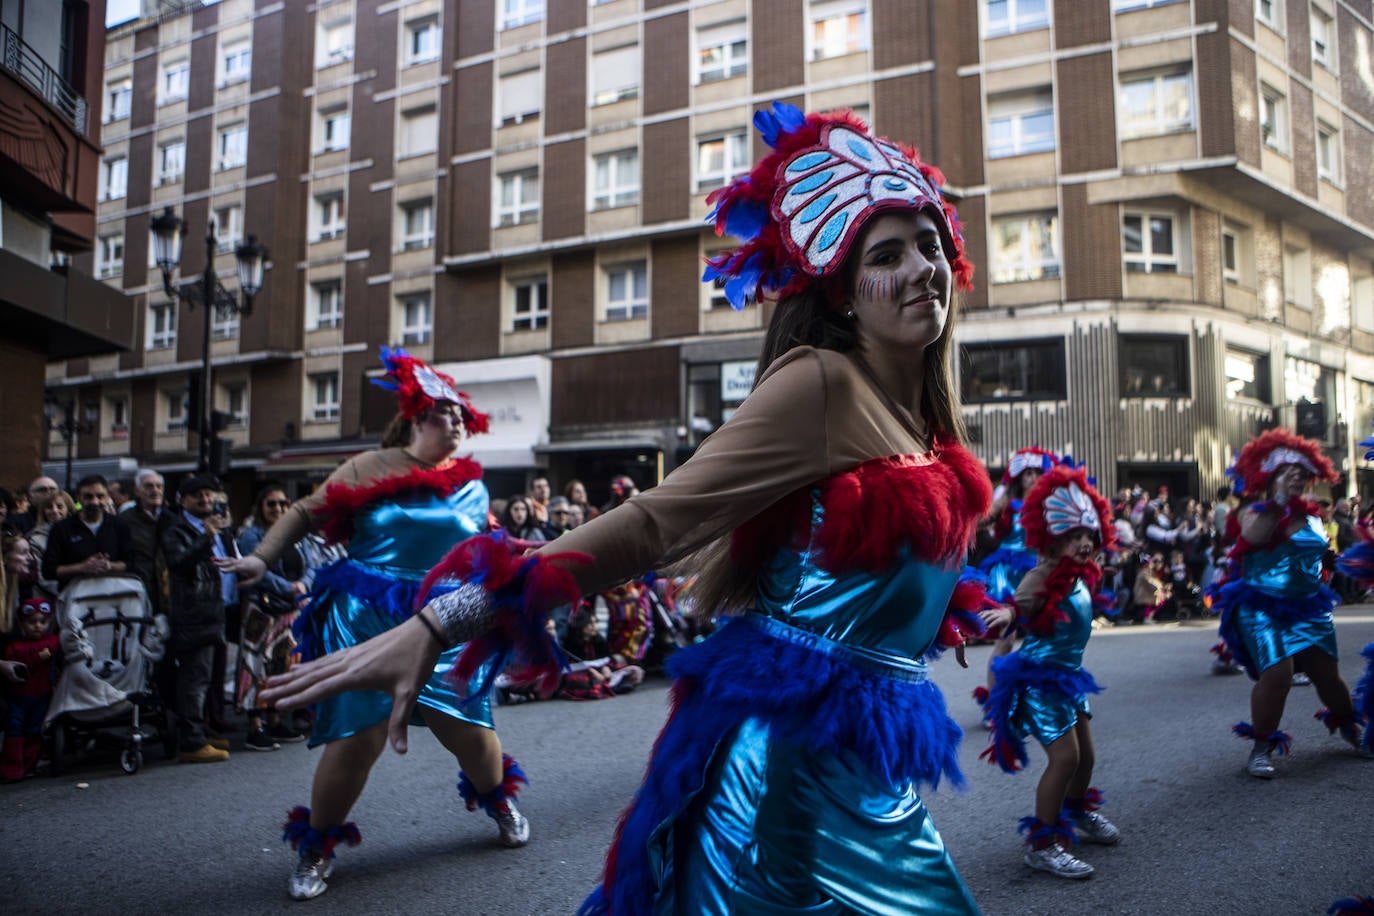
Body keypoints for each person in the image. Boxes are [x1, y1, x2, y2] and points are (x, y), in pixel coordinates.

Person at [263, 102, 1013, 913]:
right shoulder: (823, 385)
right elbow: (659, 521)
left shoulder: (929, 425)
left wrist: (946, 606)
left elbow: (862, 562)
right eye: (886, 255)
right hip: (795, 780)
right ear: (841, 294)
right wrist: (447, 618)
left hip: (862, 757)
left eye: (930, 246)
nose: (918, 270)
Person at [219, 348, 530, 901]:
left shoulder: (472, 484)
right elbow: (304, 512)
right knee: (356, 740)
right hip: (366, 617)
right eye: (445, 413)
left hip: (444, 619)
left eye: (462, 415)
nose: (458, 421)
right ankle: (315, 845)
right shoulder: (370, 466)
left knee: (471, 734)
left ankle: (497, 797)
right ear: (415, 417)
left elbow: (487, 544)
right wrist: (262, 558)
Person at [981, 466, 1119, 879]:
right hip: (1042, 681)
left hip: (1070, 677)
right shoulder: (1043, 573)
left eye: (1086, 537)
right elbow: (1020, 603)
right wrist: (1007, 612)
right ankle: (1042, 845)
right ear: (1053, 542)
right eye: (1072, 538)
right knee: (1065, 759)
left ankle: (1077, 812)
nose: (1082, 544)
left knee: (1087, 757)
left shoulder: (1080, 575)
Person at [1211, 429, 1366, 778]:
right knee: (1278, 675)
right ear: (1269, 476)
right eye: (1287, 472)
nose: (1297, 477)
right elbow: (1251, 538)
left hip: (1308, 608)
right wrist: (1277, 502)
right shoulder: (1253, 511)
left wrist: (1331, 560)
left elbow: (1318, 554)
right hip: (1263, 607)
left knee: (1328, 678)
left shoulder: (1312, 516)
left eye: (1301, 473)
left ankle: (1349, 727)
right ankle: (1261, 745)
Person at [974, 448, 1058, 707]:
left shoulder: (1050, 505)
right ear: (1019, 478)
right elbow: (980, 520)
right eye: (1027, 474)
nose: (1032, 478)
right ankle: (995, 702)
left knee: (1041, 638)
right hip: (1007, 573)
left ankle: (1036, 698)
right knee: (1006, 639)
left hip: (1035, 573)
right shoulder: (1007, 503)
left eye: (1037, 473)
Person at [162, 475, 235, 765]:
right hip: (194, 618)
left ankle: (204, 730)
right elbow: (179, 563)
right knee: (195, 678)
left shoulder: (217, 527)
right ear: (182, 500)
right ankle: (191, 740)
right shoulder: (176, 530)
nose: (206, 500)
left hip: (218, 612)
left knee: (214, 676)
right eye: (197, 496)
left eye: (209, 495)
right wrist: (206, 538)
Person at [235, 484, 308, 751]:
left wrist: (303, 585)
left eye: (282, 504)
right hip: (261, 611)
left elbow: (309, 566)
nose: (277, 509)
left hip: (289, 613)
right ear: (261, 507)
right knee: (255, 667)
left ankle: (275, 720)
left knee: (281, 667)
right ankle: (255, 726)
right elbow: (256, 568)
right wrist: (288, 587)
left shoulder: (296, 534)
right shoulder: (251, 535)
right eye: (271, 504)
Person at [0, 598, 61, 781]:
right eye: (32, 622)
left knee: (34, 730)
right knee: (15, 730)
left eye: (42, 622)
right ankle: (12, 769)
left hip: (42, 695)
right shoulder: (15, 647)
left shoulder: (52, 641)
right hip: (19, 696)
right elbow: (18, 668)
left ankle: (29, 765)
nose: (37, 626)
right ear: (22, 624)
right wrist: (37, 658)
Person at [40, 475, 132, 592]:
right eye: (88, 497)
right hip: (75, 596)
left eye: (100, 496)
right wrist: (82, 567)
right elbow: (48, 571)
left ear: (107, 497)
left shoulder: (119, 525)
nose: (94, 502)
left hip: (114, 594)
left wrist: (109, 565)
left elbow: (131, 563)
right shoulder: (61, 528)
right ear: (78, 498)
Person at [123, 469, 174, 618]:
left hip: (169, 592)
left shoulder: (173, 519)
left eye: (159, 486)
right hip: (139, 589)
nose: (155, 491)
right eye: (149, 486)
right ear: (137, 491)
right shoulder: (125, 521)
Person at [27, 490, 75, 598]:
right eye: (49, 507)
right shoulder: (35, 539)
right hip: (47, 598)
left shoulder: (80, 535)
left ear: (68, 509)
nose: (54, 510)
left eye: (59, 506)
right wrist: (66, 593)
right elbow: (39, 575)